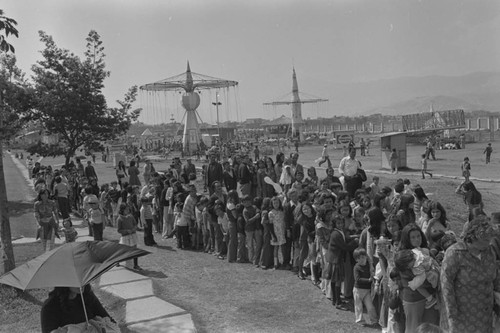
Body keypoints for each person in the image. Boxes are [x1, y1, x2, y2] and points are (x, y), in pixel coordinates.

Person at [441, 216, 500, 333]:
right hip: (463, 315)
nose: (488, 244)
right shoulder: (455, 253)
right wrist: (452, 314)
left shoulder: (489, 252)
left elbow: (495, 276)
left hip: (485, 314)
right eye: (485, 241)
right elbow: (446, 284)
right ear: (473, 238)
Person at [41, 284, 114, 333]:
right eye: (74, 279)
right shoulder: (50, 306)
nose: (80, 283)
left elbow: (108, 319)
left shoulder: (87, 296)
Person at [352, 248, 379, 328]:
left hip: (367, 290)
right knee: (358, 307)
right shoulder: (356, 267)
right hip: (358, 290)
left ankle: (374, 321)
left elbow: (373, 271)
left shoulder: (369, 265)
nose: (362, 259)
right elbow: (357, 279)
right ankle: (360, 320)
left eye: (363, 257)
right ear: (356, 260)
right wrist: (369, 280)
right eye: (359, 258)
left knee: (370, 306)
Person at [116, 203, 142, 270]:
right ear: (122, 210)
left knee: (135, 250)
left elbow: (135, 224)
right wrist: (126, 231)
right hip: (125, 237)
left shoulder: (131, 216)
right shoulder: (119, 219)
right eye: (126, 209)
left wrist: (134, 229)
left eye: (128, 209)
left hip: (133, 236)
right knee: (123, 251)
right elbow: (119, 230)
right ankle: (117, 261)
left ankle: (136, 265)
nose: (128, 210)